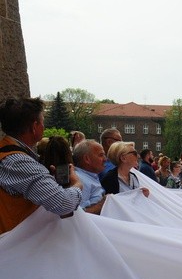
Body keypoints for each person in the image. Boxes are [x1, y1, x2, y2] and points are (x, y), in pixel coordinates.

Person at [0, 97, 83, 233]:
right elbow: (64, 204)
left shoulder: (6, 153)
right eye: (42, 121)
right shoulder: (19, 162)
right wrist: (77, 184)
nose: (44, 127)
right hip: (15, 246)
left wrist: (49, 182)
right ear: (34, 127)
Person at [73, 140, 107, 214]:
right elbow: (76, 215)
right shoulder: (80, 180)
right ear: (87, 159)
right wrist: (102, 204)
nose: (105, 159)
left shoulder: (90, 176)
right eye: (101, 155)